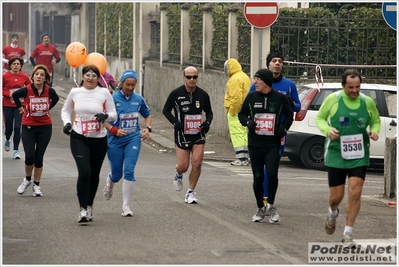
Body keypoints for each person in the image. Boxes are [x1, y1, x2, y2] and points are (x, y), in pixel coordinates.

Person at [315, 69, 380, 248]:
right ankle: (332, 212)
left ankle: (348, 233)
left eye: (357, 87)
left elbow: (376, 120)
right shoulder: (333, 100)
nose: (354, 91)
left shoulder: (367, 102)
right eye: (350, 87)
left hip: (359, 154)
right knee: (337, 196)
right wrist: (328, 131)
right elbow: (320, 119)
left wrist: (374, 131)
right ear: (343, 86)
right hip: (336, 153)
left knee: (355, 192)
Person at [61, 64, 117, 223]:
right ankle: (82, 209)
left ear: (98, 78)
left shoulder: (104, 93)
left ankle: (90, 205)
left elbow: (114, 114)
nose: (91, 78)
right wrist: (67, 123)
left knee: (94, 174)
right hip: (79, 136)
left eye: (94, 75)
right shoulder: (75, 92)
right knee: (84, 172)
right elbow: (66, 111)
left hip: (99, 139)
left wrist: (105, 116)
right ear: (83, 76)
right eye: (88, 75)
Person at [238, 68, 293, 223]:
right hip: (255, 144)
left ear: (266, 82)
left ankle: (271, 205)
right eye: (255, 79)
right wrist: (248, 122)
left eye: (258, 79)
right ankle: (259, 208)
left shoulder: (280, 98)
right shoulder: (251, 97)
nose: (255, 82)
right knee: (258, 177)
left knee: (271, 174)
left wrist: (283, 129)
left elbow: (290, 115)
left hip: (272, 144)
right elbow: (241, 114)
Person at [248, 51, 301, 208]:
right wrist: (249, 122)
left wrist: (289, 102)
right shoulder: (256, 84)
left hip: (278, 133)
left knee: (271, 166)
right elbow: (248, 106)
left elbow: (298, 106)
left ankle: (267, 196)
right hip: (258, 134)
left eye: (280, 61)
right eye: (274, 61)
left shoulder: (289, 85)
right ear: (268, 64)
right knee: (259, 167)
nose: (277, 63)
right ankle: (263, 197)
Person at [102, 69, 152, 217]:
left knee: (129, 170)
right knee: (117, 174)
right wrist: (113, 130)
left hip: (133, 138)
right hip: (115, 140)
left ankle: (126, 206)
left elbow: (147, 114)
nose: (130, 88)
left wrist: (148, 128)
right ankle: (110, 182)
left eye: (133, 85)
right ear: (121, 83)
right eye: (127, 84)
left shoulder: (138, 98)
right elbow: (102, 119)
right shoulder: (112, 98)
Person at [162, 66, 213, 204]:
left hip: (198, 134)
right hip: (182, 134)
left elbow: (209, 112)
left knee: (197, 162)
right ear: (184, 77)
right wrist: (175, 122)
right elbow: (166, 110)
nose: (192, 80)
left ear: (197, 78)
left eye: (194, 77)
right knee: (183, 166)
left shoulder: (203, 95)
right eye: (189, 77)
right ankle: (178, 174)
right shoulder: (176, 93)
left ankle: (190, 192)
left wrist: (207, 123)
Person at [12, 64, 60, 197]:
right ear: (32, 77)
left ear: (46, 78)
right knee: (29, 157)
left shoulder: (50, 91)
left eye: (42, 75)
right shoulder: (26, 90)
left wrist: (46, 108)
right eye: (37, 74)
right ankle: (27, 179)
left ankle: (36, 185)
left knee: (39, 158)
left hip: (45, 127)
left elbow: (55, 100)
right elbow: (15, 95)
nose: (39, 76)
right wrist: (21, 108)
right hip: (29, 127)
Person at [223, 58, 251, 166]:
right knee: (243, 134)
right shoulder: (244, 76)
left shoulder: (234, 79)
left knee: (237, 134)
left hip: (236, 111)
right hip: (244, 110)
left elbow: (237, 97)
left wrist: (232, 111)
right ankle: (244, 157)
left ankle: (241, 159)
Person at [2, 57, 31, 159]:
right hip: (7, 105)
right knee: (9, 127)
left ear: (21, 66)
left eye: (18, 64)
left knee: (18, 127)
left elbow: (29, 88)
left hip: (19, 106)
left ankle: (16, 150)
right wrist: (8, 94)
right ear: (10, 65)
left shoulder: (24, 76)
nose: (16, 66)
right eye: (14, 64)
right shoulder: (4, 76)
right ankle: (7, 138)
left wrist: (24, 95)